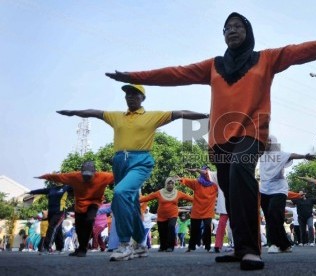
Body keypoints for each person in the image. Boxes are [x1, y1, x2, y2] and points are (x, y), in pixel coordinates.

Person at [105, 11, 316, 270]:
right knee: (230, 191)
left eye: (238, 26)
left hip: (252, 133)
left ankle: (249, 249)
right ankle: (238, 248)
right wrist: (134, 77)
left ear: (249, 31)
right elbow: (175, 73)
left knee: (240, 172)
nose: (232, 30)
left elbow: (306, 49)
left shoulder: (267, 59)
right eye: (227, 27)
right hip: (221, 139)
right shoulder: (214, 66)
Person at [57, 84, 207, 261]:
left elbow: (180, 113)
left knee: (120, 193)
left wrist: (206, 116)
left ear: (143, 98)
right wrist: (74, 111)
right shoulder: (116, 117)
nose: (130, 96)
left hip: (141, 160)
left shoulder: (153, 116)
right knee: (132, 204)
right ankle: (141, 245)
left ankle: (124, 244)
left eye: (135, 94)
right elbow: (94, 112)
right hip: (120, 160)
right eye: (127, 93)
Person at [36, 161, 114, 257]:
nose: (87, 178)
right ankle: (80, 248)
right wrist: (44, 176)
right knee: (79, 227)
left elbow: (119, 175)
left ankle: (83, 249)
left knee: (89, 221)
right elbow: (58, 177)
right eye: (84, 175)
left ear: (95, 172)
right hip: (79, 205)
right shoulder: (74, 176)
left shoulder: (104, 176)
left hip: (94, 202)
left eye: (89, 176)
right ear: (81, 172)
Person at [259, 135, 315, 253]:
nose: (266, 142)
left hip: (279, 189)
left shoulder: (279, 154)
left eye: (268, 141)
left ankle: (273, 244)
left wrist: (304, 156)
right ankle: (284, 245)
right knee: (269, 217)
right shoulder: (261, 153)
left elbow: (292, 154)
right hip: (264, 190)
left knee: (274, 214)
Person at [139, 177, 193, 252]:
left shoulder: (178, 193)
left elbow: (190, 198)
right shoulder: (159, 192)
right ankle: (163, 246)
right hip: (161, 215)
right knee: (162, 231)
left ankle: (170, 246)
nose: (170, 185)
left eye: (172, 183)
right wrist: (137, 200)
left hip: (173, 214)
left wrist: (201, 200)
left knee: (171, 227)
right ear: (166, 184)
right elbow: (148, 197)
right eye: (168, 183)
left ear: (174, 184)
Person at [178, 167, 218, 253]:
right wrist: (180, 179)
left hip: (208, 211)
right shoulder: (197, 183)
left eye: (207, 172)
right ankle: (191, 247)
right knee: (194, 229)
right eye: (205, 171)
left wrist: (197, 170)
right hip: (196, 210)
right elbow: (186, 180)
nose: (206, 173)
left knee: (207, 229)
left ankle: (208, 247)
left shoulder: (215, 185)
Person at [28, 181, 73, 253]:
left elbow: (78, 187)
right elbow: (41, 191)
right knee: (57, 229)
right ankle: (60, 247)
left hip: (60, 212)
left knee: (52, 228)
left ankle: (46, 247)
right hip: (51, 212)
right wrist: (31, 191)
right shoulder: (51, 189)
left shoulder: (66, 187)